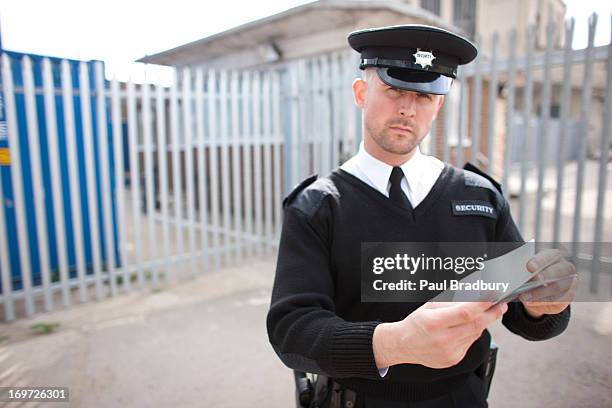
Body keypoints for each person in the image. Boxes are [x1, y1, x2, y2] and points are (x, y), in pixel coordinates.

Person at [266, 24, 577, 408]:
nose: (407, 109)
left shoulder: (480, 197)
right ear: (361, 93)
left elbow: (524, 311)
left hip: (463, 397)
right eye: (394, 90)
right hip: (358, 400)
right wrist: (393, 344)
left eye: (424, 96)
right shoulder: (318, 204)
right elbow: (292, 330)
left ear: (439, 105)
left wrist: (544, 305)